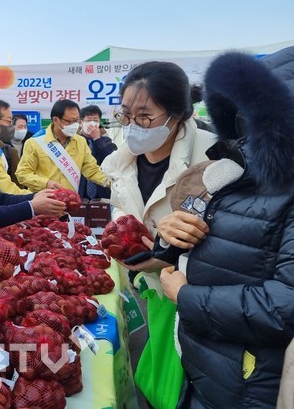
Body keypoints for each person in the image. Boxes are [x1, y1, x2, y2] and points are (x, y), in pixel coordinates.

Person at [158, 49, 294, 407]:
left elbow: (285, 305)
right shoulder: (232, 173)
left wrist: (186, 297)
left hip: (251, 382)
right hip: (207, 364)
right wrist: (168, 234)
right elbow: (195, 243)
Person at [100, 61, 216, 409]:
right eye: (125, 115)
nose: (134, 126)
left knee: (183, 387)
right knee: (147, 376)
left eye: (145, 116)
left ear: (178, 113)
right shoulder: (122, 156)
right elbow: (121, 208)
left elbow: (234, 237)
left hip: (192, 299)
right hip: (142, 287)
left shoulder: (214, 155)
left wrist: (165, 251)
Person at [15, 99, 109, 193]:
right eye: (70, 121)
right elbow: (22, 174)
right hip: (44, 201)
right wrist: (46, 183)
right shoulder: (35, 143)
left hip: (70, 201)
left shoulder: (80, 141)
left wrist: (111, 182)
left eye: (77, 120)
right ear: (56, 120)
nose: (75, 125)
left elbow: (92, 170)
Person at [78, 104, 117, 199]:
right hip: (80, 190)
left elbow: (111, 159)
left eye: (95, 120)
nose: (92, 123)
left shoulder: (106, 141)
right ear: (81, 123)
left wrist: (97, 139)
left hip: (103, 190)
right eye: (88, 120)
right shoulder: (76, 141)